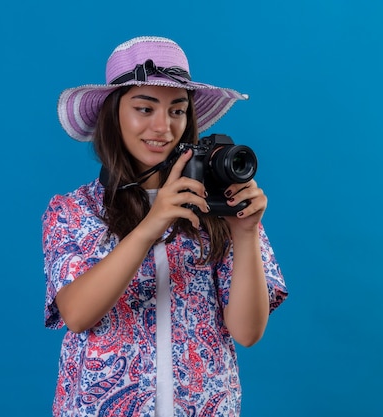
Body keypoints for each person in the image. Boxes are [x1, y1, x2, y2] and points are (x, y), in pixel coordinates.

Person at [42, 36, 288, 417]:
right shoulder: (74, 210)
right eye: (145, 108)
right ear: (114, 114)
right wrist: (150, 226)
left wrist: (245, 232)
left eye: (177, 111)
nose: (163, 127)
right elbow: (76, 314)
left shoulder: (215, 206)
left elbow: (247, 332)